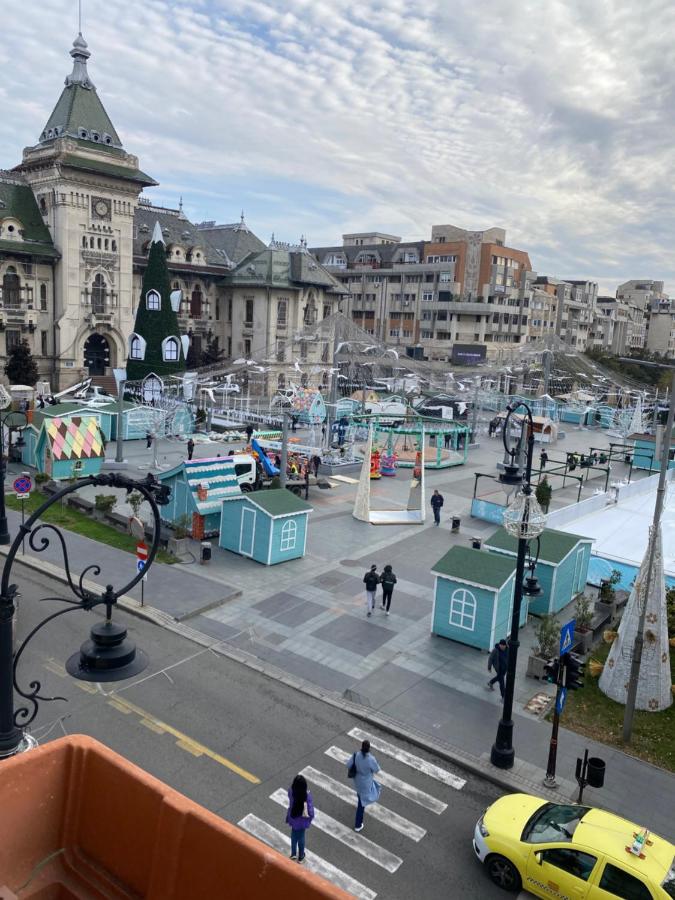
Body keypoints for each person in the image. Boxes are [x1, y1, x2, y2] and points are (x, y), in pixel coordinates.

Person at [347, 739, 381, 832]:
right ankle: (358, 825)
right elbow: (377, 769)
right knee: (361, 805)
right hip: (366, 783)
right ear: (369, 748)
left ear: (362, 747)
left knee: (360, 795)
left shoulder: (356, 755)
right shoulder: (371, 759)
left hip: (357, 781)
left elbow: (348, 764)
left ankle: (359, 800)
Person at [285, 774, 314, 863]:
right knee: (301, 837)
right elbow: (310, 810)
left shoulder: (291, 792)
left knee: (294, 835)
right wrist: (311, 817)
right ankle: (301, 856)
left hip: (293, 817)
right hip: (302, 821)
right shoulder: (307, 796)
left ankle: (293, 854)